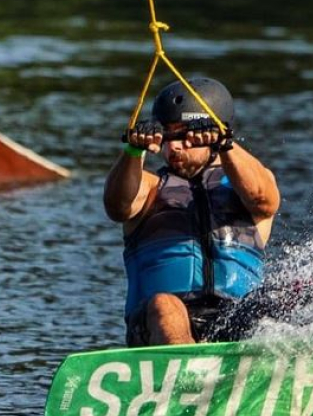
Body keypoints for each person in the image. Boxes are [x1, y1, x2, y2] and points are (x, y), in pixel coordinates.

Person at [103, 77, 280, 346]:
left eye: (183, 135)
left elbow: (264, 200)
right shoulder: (148, 187)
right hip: (160, 326)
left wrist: (225, 143)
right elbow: (117, 207)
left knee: (290, 295)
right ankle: (190, 375)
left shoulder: (246, 185)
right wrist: (133, 151)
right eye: (167, 135)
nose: (173, 146)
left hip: (237, 321)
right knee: (165, 306)